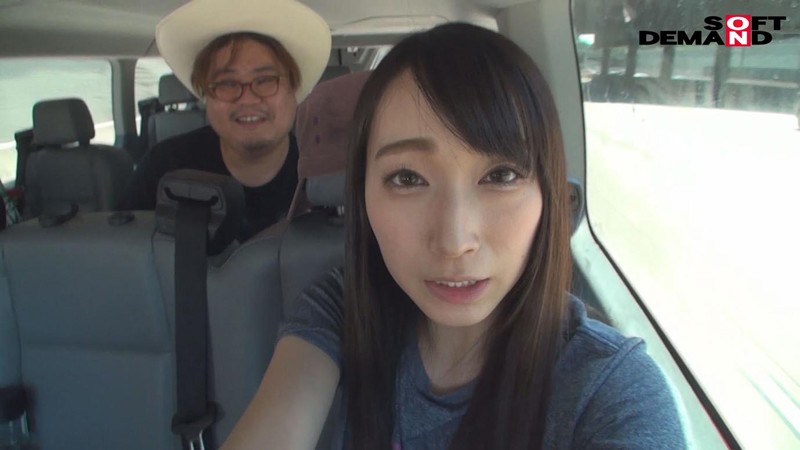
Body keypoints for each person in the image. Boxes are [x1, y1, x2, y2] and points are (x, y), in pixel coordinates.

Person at [223, 23, 685, 450]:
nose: (454, 241)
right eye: (407, 178)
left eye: (501, 175)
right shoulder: (342, 306)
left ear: (549, 193)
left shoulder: (613, 394)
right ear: (362, 196)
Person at [118, 0, 331, 240]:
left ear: (293, 89)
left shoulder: (327, 176)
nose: (248, 98)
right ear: (205, 95)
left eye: (265, 80)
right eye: (227, 83)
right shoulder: (164, 169)